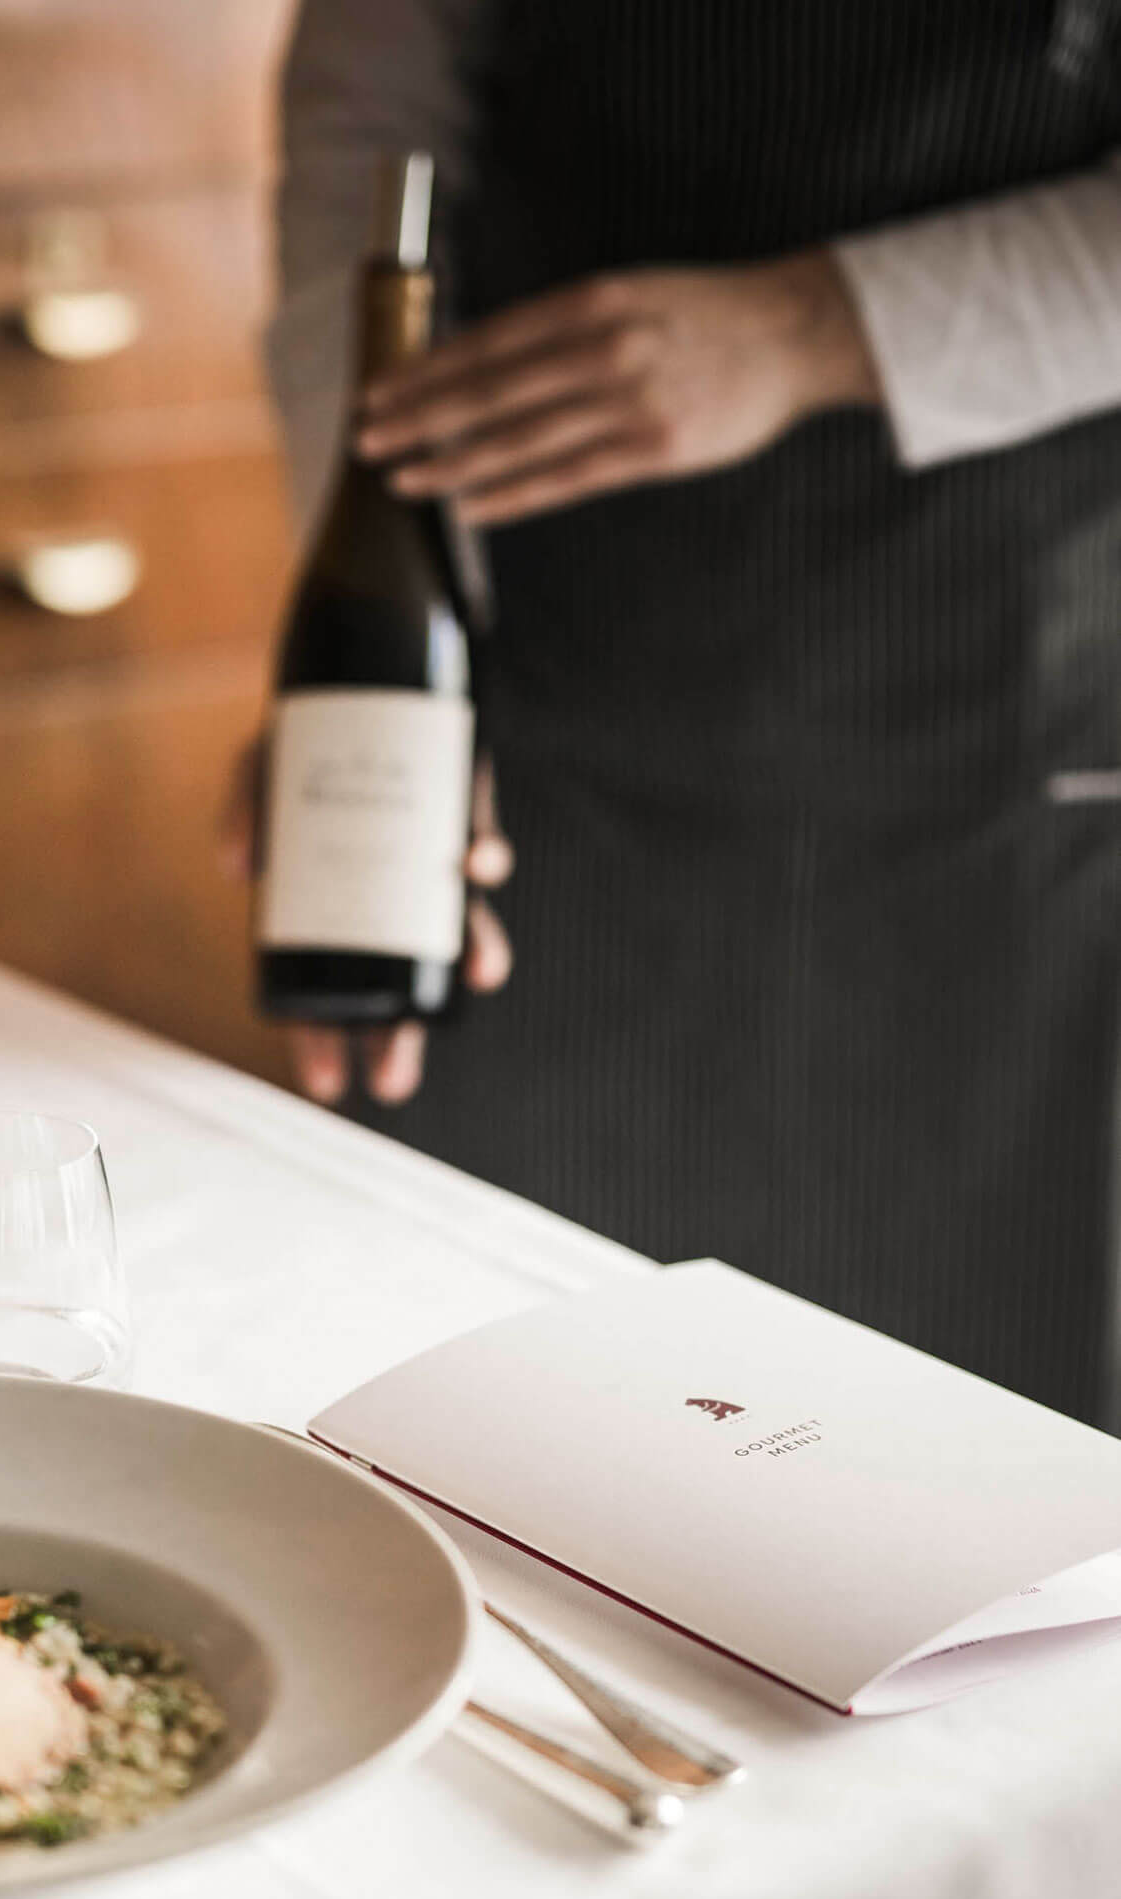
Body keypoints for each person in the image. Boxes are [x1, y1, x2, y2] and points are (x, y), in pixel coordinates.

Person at [237, 0, 1121, 1426]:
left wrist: (814, 327)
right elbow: (368, 126)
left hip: (1024, 776)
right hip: (563, 766)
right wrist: (390, 663)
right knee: (521, 1443)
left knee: (998, 1497)